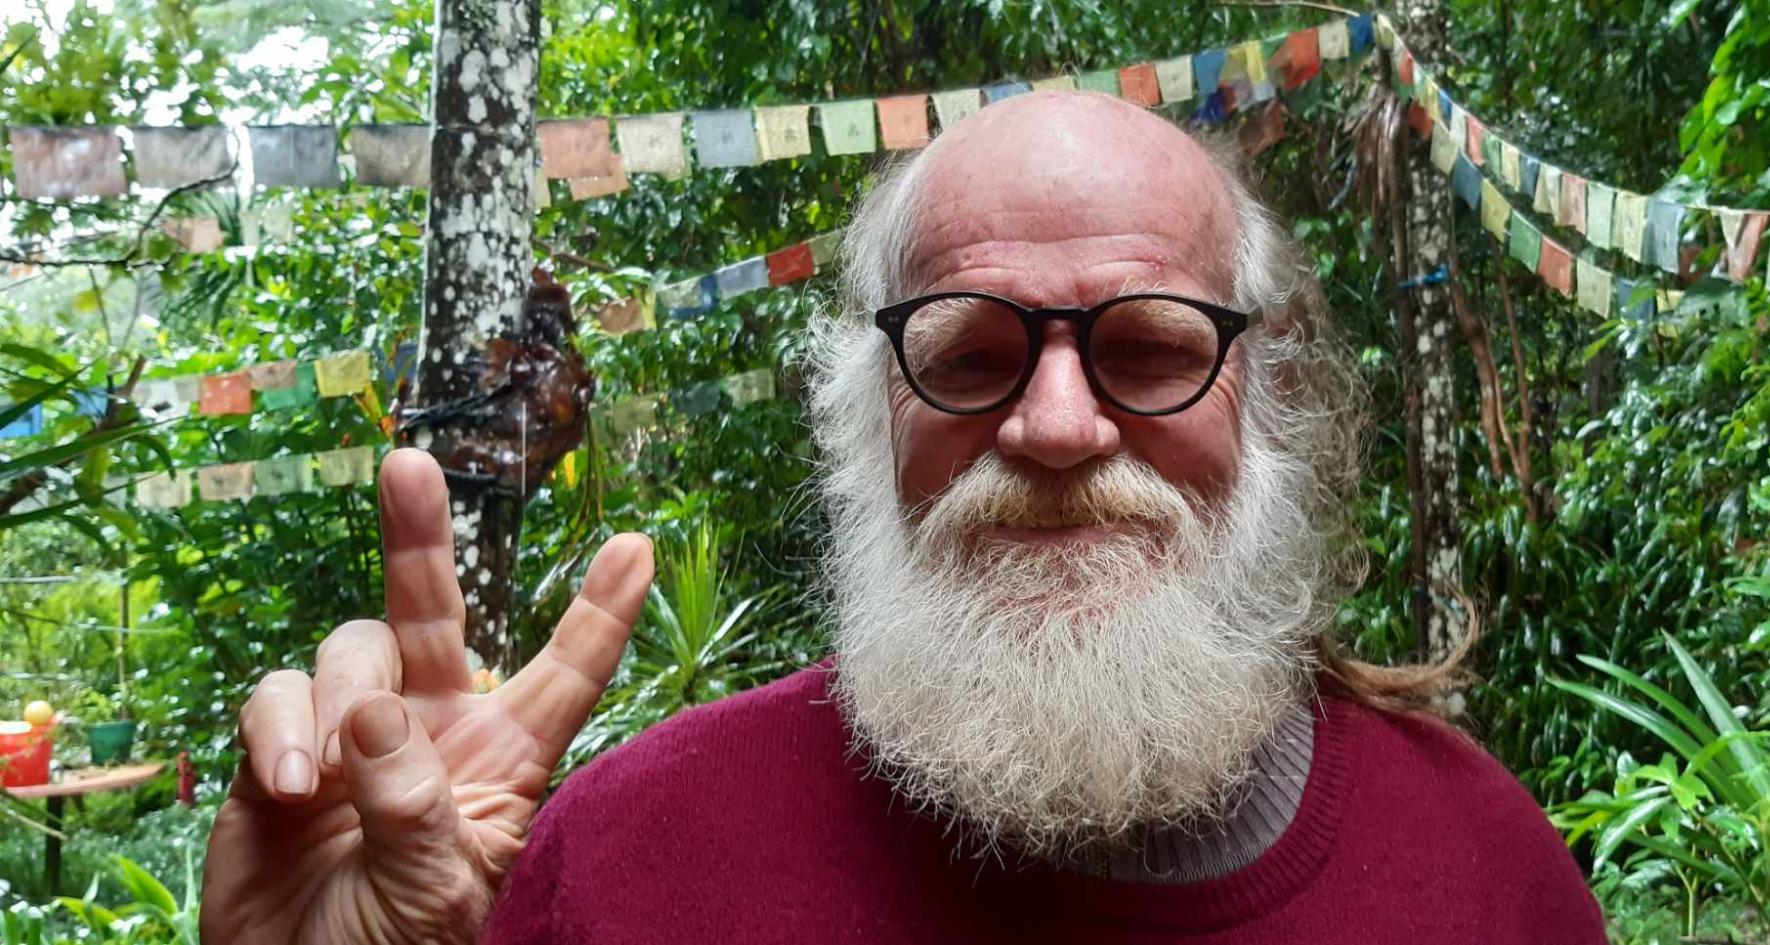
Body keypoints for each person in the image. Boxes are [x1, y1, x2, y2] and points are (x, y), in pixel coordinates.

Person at [201, 90, 1608, 944]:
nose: (1057, 427)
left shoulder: (1487, 872)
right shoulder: (628, 861)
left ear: (1267, 396)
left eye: (1150, 348)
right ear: (870, 414)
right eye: (971, 353)